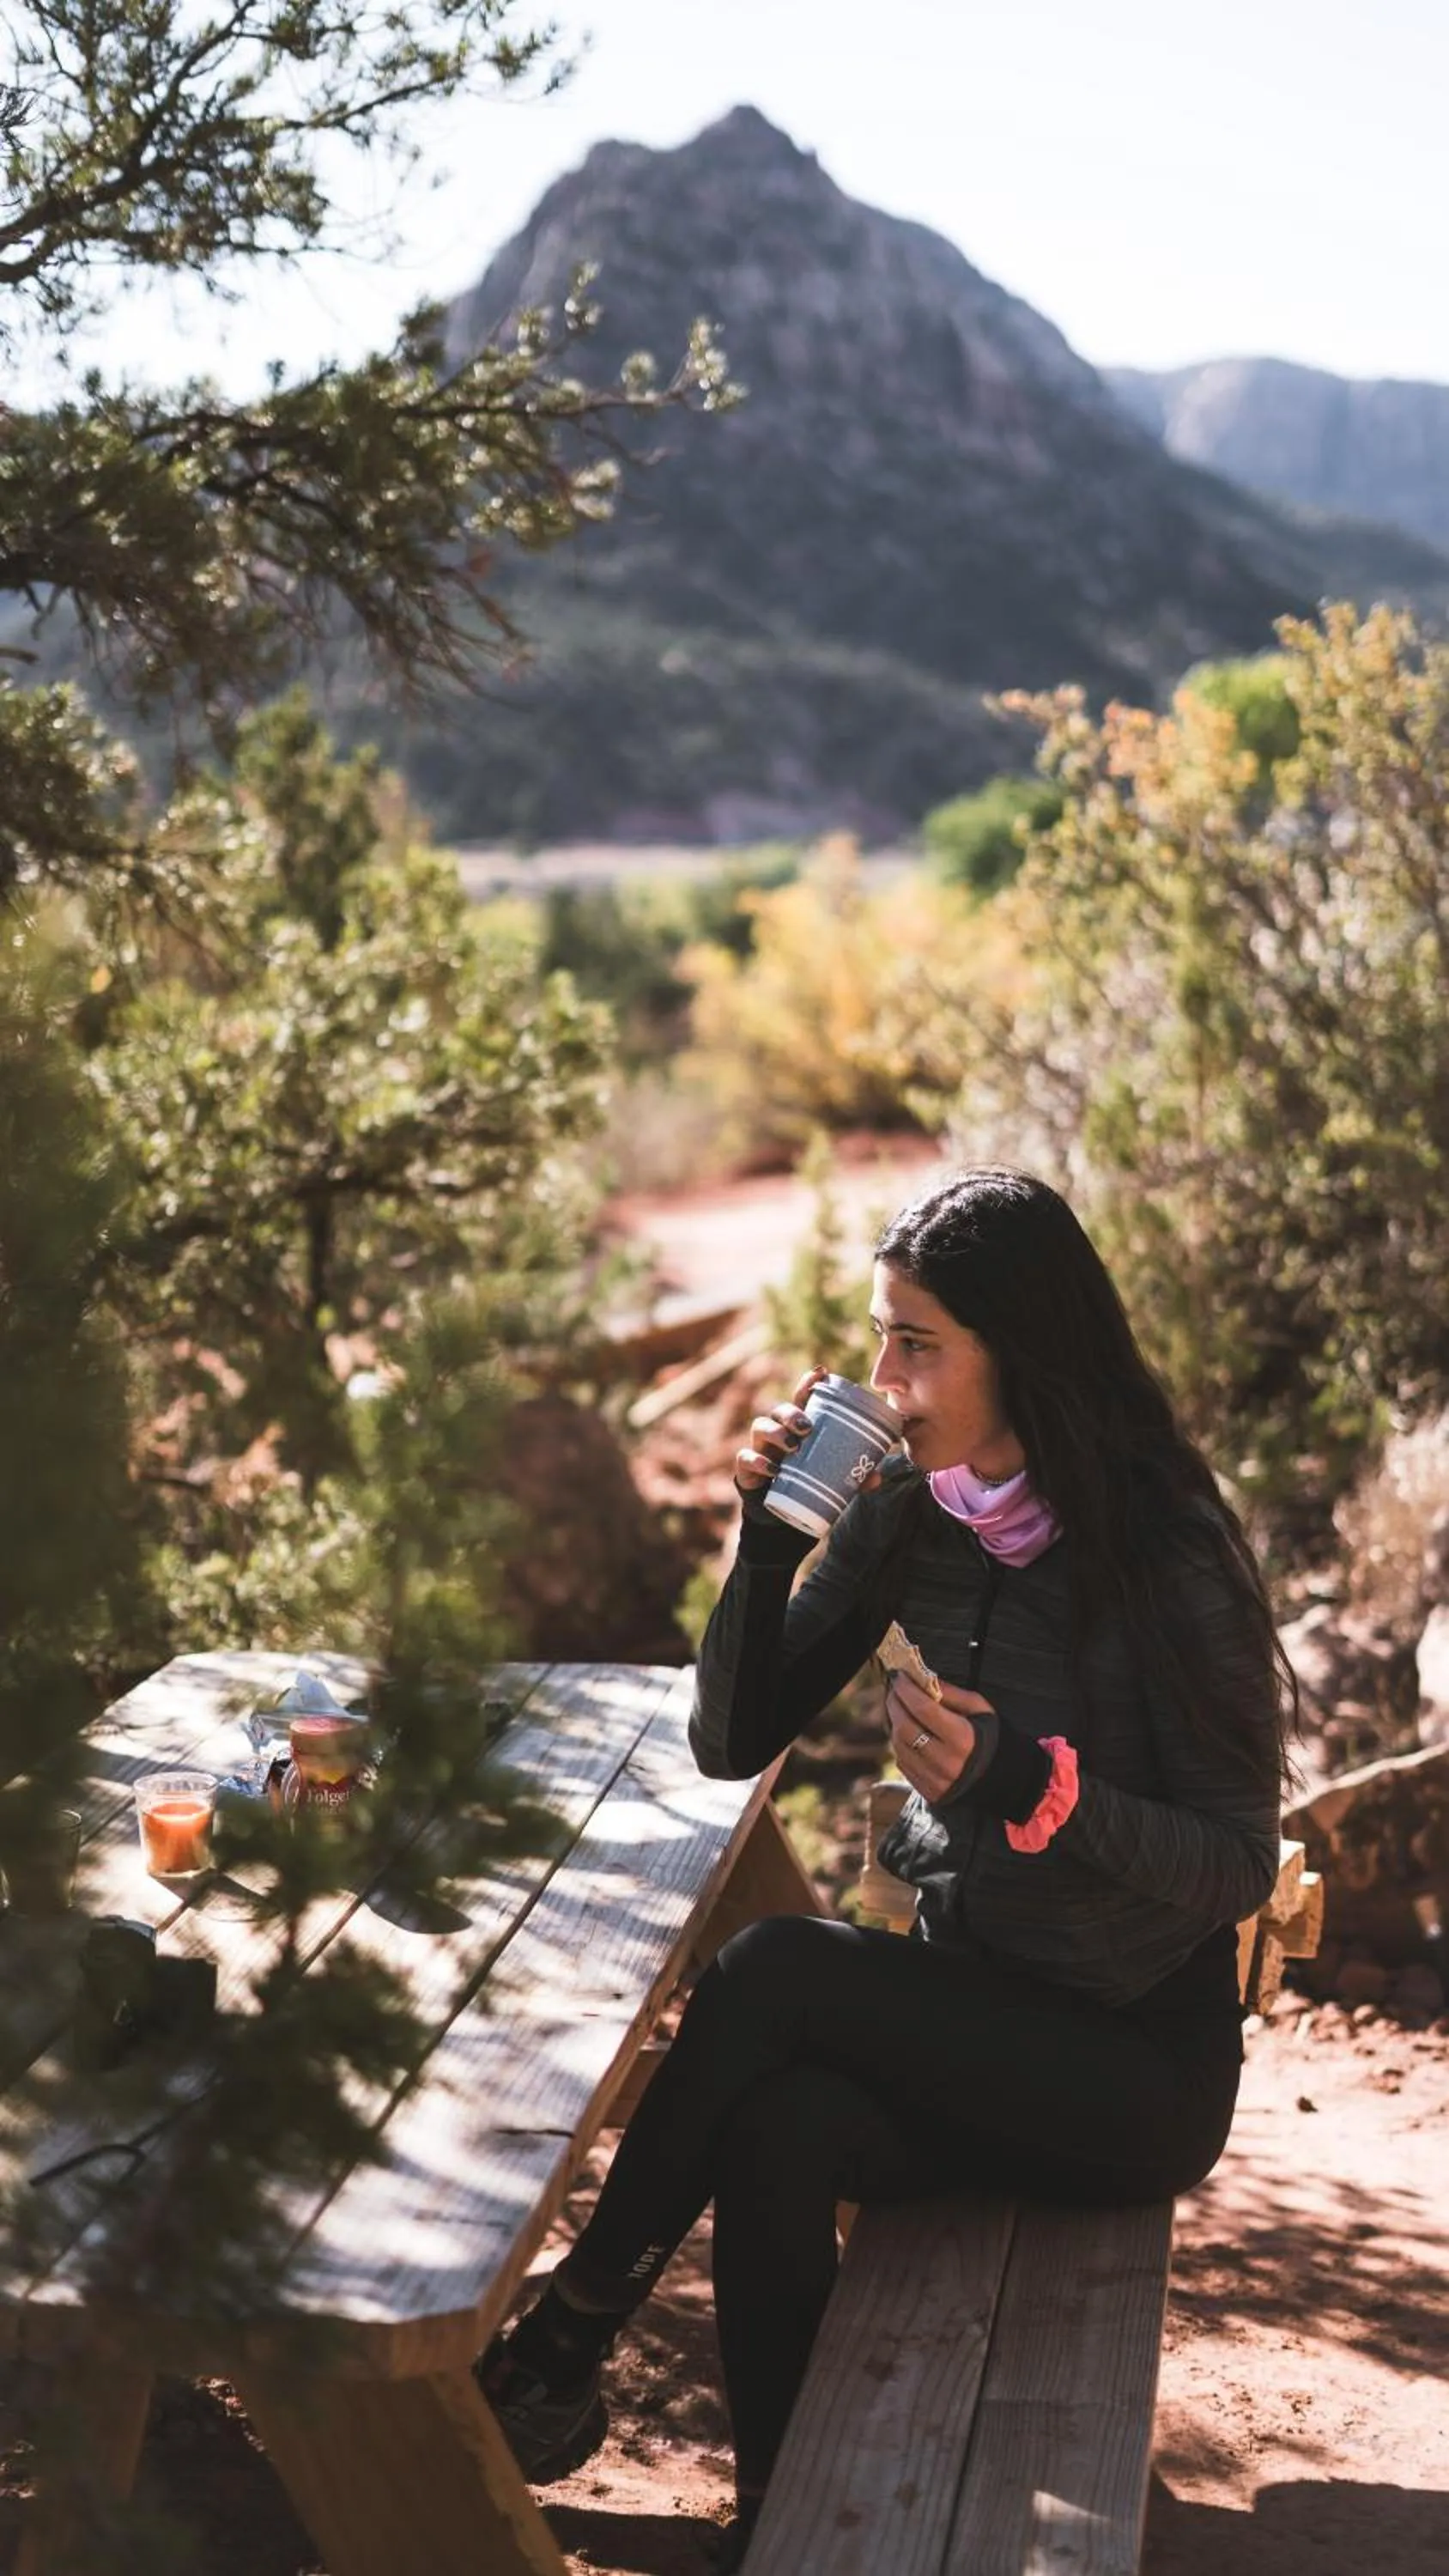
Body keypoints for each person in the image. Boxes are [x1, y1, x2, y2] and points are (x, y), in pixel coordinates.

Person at [475, 1167, 1291, 2568]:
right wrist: (769, 1537)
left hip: (1132, 2068)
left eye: (918, 1344)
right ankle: (787, 2522)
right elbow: (734, 1739)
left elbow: (1234, 1867)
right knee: (780, 2125)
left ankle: (568, 2333)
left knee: (775, 1970)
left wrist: (1030, 1787)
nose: (884, 1380)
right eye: (877, 1339)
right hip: (974, 2019)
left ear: (1018, 1351)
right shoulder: (917, 1509)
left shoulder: (1166, 1550)